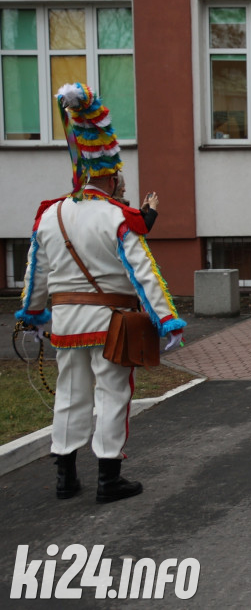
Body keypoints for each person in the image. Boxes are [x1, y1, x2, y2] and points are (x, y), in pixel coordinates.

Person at [15, 82, 186, 503]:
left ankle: (64, 477)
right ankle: (108, 479)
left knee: (71, 394)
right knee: (112, 394)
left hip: (67, 325)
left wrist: (33, 314)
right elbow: (146, 273)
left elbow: (35, 271)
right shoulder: (117, 217)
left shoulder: (49, 214)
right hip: (112, 323)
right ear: (109, 176)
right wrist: (167, 319)